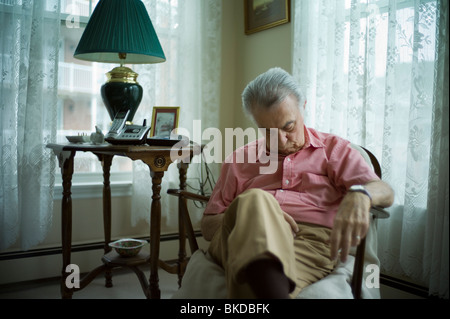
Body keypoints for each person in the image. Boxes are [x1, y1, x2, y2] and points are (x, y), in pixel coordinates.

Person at [201, 67, 394, 299]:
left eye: (288, 127)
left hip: (309, 244)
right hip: (234, 236)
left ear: (303, 107)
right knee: (255, 200)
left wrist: (360, 193)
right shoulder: (239, 159)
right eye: (268, 132)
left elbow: (385, 191)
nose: (282, 141)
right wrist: (257, 216)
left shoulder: (334, 150)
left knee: (255, 284)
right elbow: (209, 227)